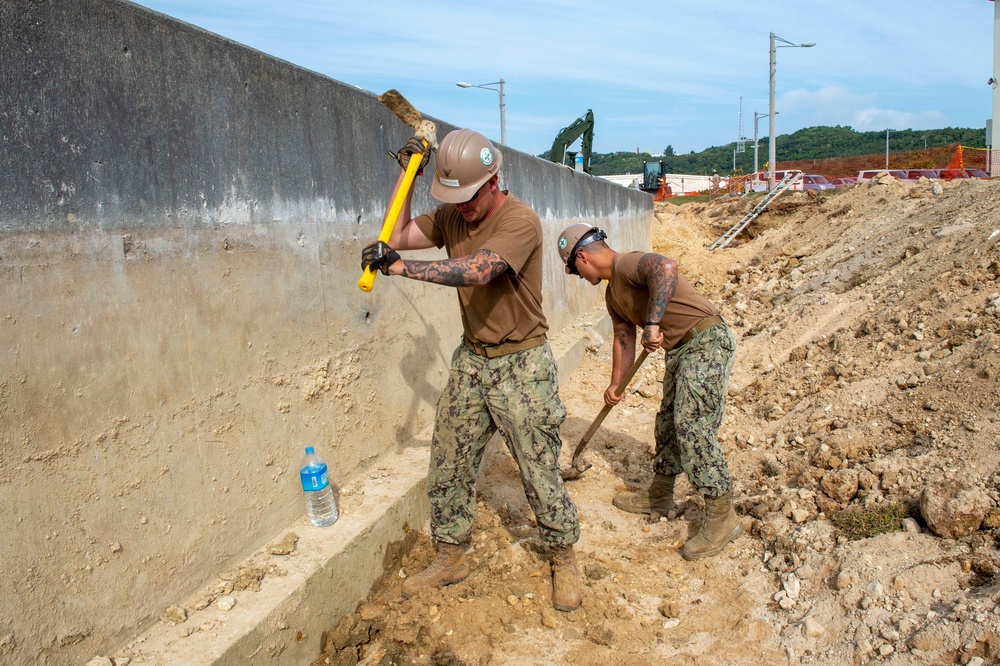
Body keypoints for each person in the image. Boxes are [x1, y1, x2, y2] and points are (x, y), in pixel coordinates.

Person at [361, 129, 582, 611]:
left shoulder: (521, 220)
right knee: (449, 458)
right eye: (452, 198)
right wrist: (408, 174)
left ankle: (562, 554)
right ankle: (451, 553)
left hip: (522, 362)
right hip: (473, 358)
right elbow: (396, 236)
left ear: (493, 180)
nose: (460, 207)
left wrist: (404, 270)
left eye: (467, 197)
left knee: (537, 466)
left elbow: (481, 269)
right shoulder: (450, 215)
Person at [555, 224, 742, 561]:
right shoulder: (613, 296)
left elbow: (666, 267)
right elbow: (623, 338)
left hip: (706, 341)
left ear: (581, 256)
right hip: (681, 350)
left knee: (692, 425)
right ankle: (660, 494)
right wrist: (615, 383)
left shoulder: (627, 264)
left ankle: (722, 514)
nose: (578, 276)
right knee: (668, 422)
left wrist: (653, 323)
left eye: (574, 269)